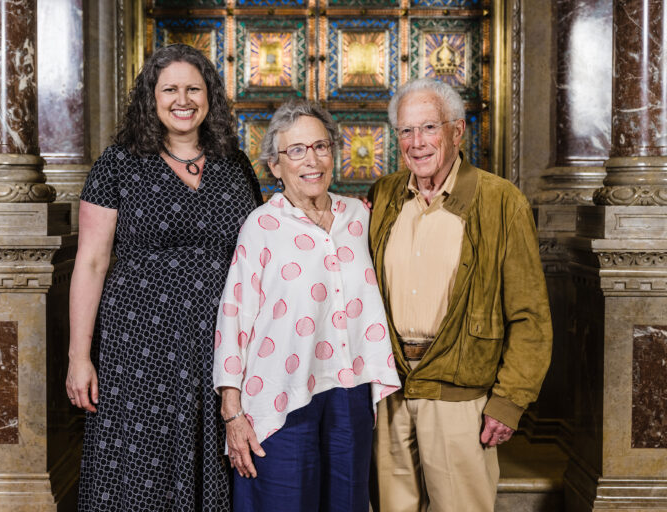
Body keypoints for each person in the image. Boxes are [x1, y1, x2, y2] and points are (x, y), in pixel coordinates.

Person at [66, 44, 262, 512]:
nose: (183, 99)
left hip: (221, 345)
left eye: (194, 88)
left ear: (210, 96)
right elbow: (91, 262)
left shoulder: (235, 165)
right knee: (140, 468)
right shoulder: (118, 165)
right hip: (139, 347)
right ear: (150, 98)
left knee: (215, 453)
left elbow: (265, 245)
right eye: (170, 88)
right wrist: (79, 356)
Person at [367, 78, 552, 512]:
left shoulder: (501, 200)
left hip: (461, 394)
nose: (417, 143)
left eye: (429, 128)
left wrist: (508, 402)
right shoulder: (385, 195)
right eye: (406, 131)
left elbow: (530, 315)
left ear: (457, 130)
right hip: (392, 391)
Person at [213, 99, 401, 512]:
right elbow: (233, 318)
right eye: (295, 150)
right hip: (279, 392)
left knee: (347, 502)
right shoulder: (261, 226)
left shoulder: (359, 217)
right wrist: (232, 411)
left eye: (320, 147)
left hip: (349, 389)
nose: (311, 160)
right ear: (275, 166)